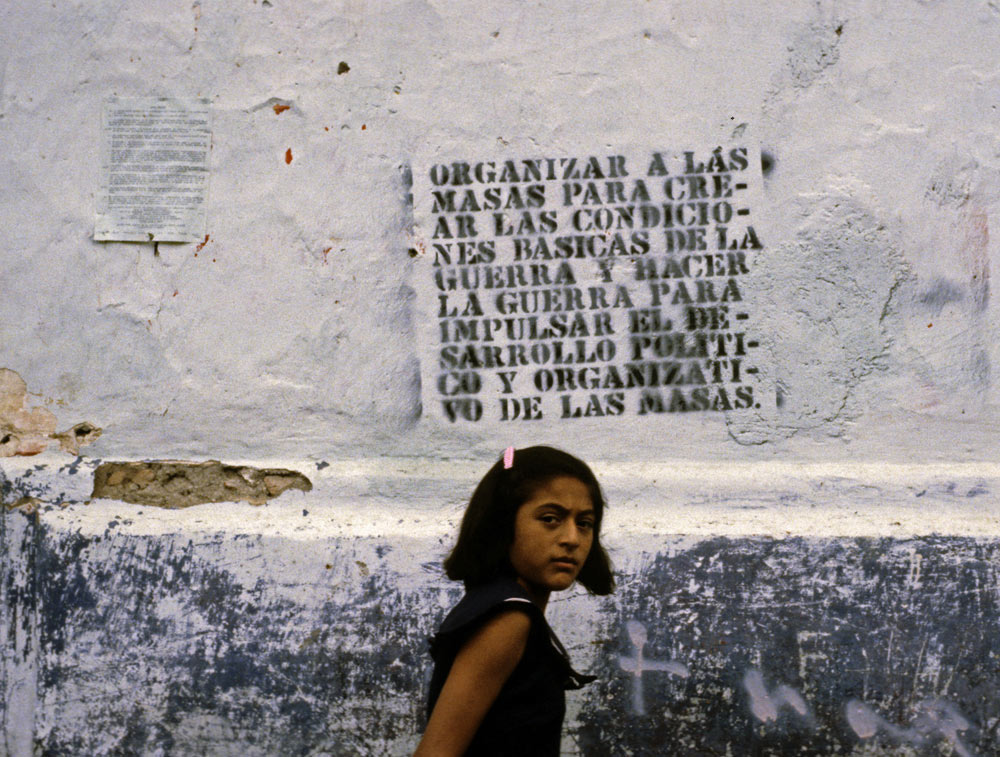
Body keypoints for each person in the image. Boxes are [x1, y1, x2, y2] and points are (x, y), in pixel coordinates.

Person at [414, 445, 614, 757]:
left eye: (584, 523)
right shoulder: (508, 618)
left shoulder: (499, 604)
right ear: (504, 525)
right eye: (550, 518)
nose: (572, 538)